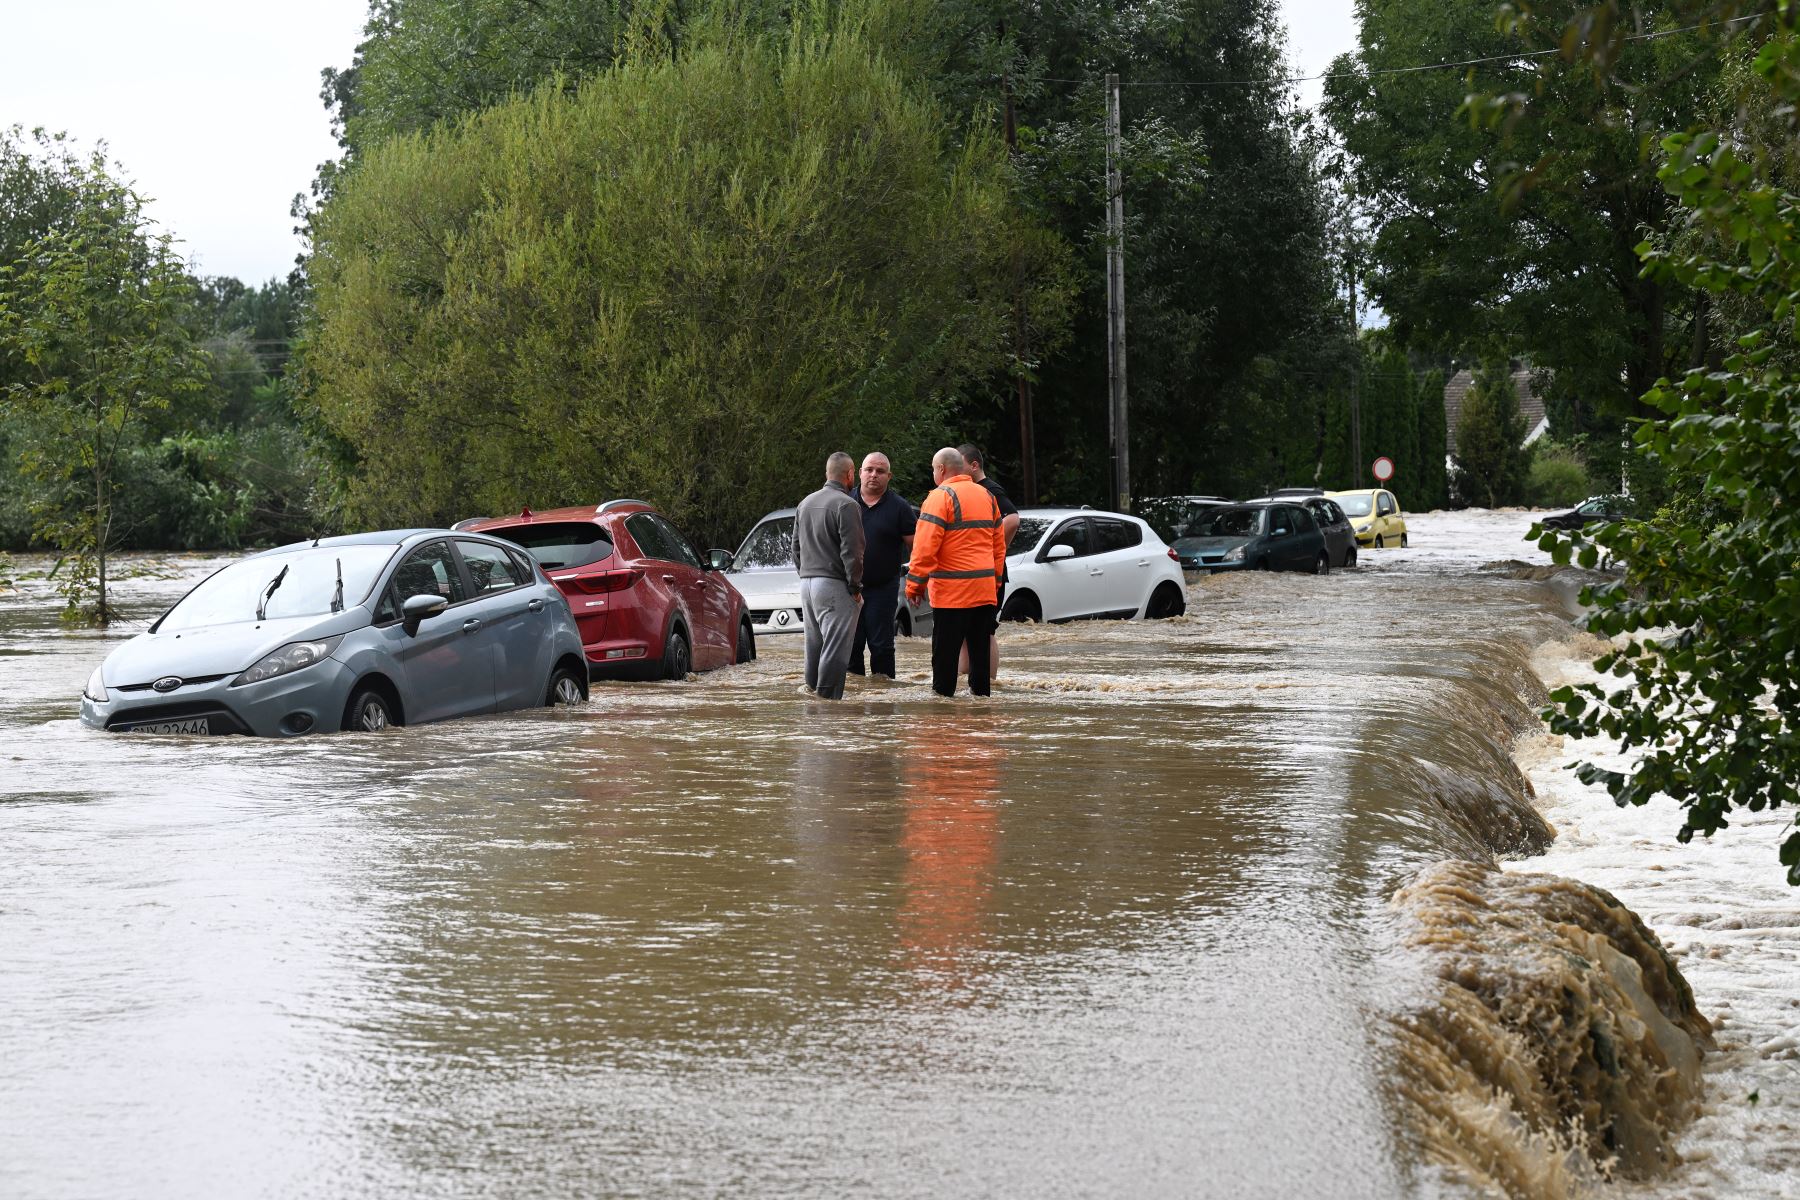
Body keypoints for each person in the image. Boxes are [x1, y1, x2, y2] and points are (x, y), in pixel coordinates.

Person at [906, 447, 1007, 697]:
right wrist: (993, 583)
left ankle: (944, 723)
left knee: (945, 666)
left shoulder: (939, 497)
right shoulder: (987, 496)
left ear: (941, 469)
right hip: (983, 593)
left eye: (932, 469)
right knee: (980, 666)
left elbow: (925, 547)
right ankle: (981, 722)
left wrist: (914, 585)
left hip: (952, 596)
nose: (933, 473)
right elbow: (998, 547)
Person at [794, 451, 865, 700]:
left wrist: (806, 574)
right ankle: (828, 703)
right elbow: (853, 552)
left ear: (827, 473)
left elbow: (795, 548)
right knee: (836, 647)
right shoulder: (847, 504)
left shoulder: (804, 503)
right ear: (849, 474)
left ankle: (811, 698)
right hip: (834, 584)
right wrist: (855, 588)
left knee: (813, 646)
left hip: (807, 583)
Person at [848, 451, 916, 679]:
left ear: (889, 476)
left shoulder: (900, 507)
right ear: (859, 473)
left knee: (882, 647)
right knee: (850, 646)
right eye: (869, 470)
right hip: (848, 587)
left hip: (883, 588)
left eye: (880, 471)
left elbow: (916, 549)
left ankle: (883, 704)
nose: (873, 475)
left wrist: (918, 581)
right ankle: (851, 706)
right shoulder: (846, 503)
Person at [956, 444, 1020, 679]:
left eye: (959, 464)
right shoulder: (970, 490)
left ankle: (989, 683)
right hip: (973, 573)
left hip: (990, 573)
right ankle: (964, 679)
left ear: (974, 465)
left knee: (986, 629)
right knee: (965, 631)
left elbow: (1012, 519)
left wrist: (992, 548)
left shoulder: (990, 489)